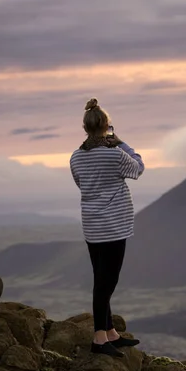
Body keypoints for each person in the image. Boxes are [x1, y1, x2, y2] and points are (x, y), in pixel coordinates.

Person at [69, 97, 145, 357]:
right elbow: (138, 168)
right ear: (106, 126)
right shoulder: (115, 153)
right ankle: (99, 339)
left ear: (85, 127)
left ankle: (111, 332)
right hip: (114, 227)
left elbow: (83, 184)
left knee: (101, 277)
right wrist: (121, 142)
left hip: (92, 226)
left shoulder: (76, 157)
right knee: (106, 284)